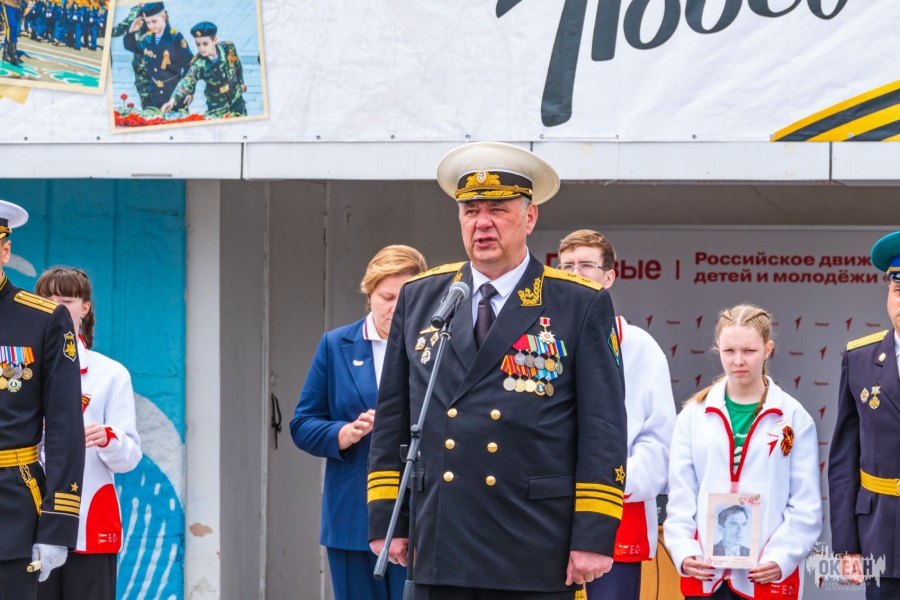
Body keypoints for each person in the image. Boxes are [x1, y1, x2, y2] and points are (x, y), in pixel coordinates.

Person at [367, 142, 628, 599]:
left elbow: (603, 425)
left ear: (530, 218)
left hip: (533, 538)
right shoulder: (423, 295)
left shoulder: (578, 302)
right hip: (440, 533)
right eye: (471, 210)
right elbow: (393, 415)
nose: (482, 223)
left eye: (498, 210)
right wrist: (389, 517)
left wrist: (593, 533)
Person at [291, 245, 427, 600]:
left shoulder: (439, 346)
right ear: (369, 296)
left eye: (405, 298)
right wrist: (344, 433)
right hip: (353, 515)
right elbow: (302, 424)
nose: (395, 307)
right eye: (386, 297)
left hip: (422, 514)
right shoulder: (336, 345)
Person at [664, 305, 821, 599]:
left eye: (749, 351)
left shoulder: (794, 418)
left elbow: (805, 504)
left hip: (766, 575)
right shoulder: (693, 416)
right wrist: (684, 551)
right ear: (718, 349)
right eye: (729, 351)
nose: (738, 361)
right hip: (706, 574)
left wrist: (781, 557)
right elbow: (681, 496)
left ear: (768, 349)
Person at [557, 229, 675, 600]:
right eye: (566, 266)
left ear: (609, 276)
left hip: (616, 518)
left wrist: (604, 484)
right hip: (543, 514)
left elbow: (658, 442)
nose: (575, 273)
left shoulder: (639, 347)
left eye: (586, 265)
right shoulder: (536, 343)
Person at [34, 267, 142, 600]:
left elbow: (130, 458)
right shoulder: (18, 371)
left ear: (85, 308)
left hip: (89, 524)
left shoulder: (111, 374)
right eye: (47, 300)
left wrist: (108, 437)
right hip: (30, 522)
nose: (56, 307)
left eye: (66, 300)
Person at [0, 200, 84, 599]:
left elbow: (66, 426)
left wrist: (57, 524)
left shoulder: (44, 318)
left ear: (4, 250)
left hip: (10, 509)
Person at [829, 231, 900, 598]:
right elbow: (844, 458)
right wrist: (846, 545)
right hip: (881, 533)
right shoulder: (859, 358)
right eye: (898, 290)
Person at [160, 21, 248, 116]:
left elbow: (237, 65)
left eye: (205, 44)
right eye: (198, 44)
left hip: (236, 96)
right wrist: (172, 100)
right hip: (216, 103)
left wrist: (241, 82)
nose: (201, 48)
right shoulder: (198, 63)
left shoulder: (228, 48)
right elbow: (187, 81)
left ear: (214, 40)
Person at [122, 2, 193, 110]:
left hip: (174, 92)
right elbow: (133, 47)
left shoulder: (175, 38)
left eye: (154, 21)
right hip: (155, 93)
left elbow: (190, 64)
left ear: (163, 16)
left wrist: (188, 90)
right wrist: (132, 31)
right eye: (148, 22)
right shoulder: (148, 38)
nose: (151, 26)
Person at [110, 3, 150, 107]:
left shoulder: (156, 10)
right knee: (144, 96)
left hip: (155, 63)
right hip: (139, 65)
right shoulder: (135, 11)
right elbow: (121, 28)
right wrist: (103, 31)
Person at [1, 0, 26, 64]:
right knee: (12, 26)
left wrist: (27, 5)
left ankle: (7, 53)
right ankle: (12, 53)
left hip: (17, 6)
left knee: (13, 30)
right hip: (7, 4)